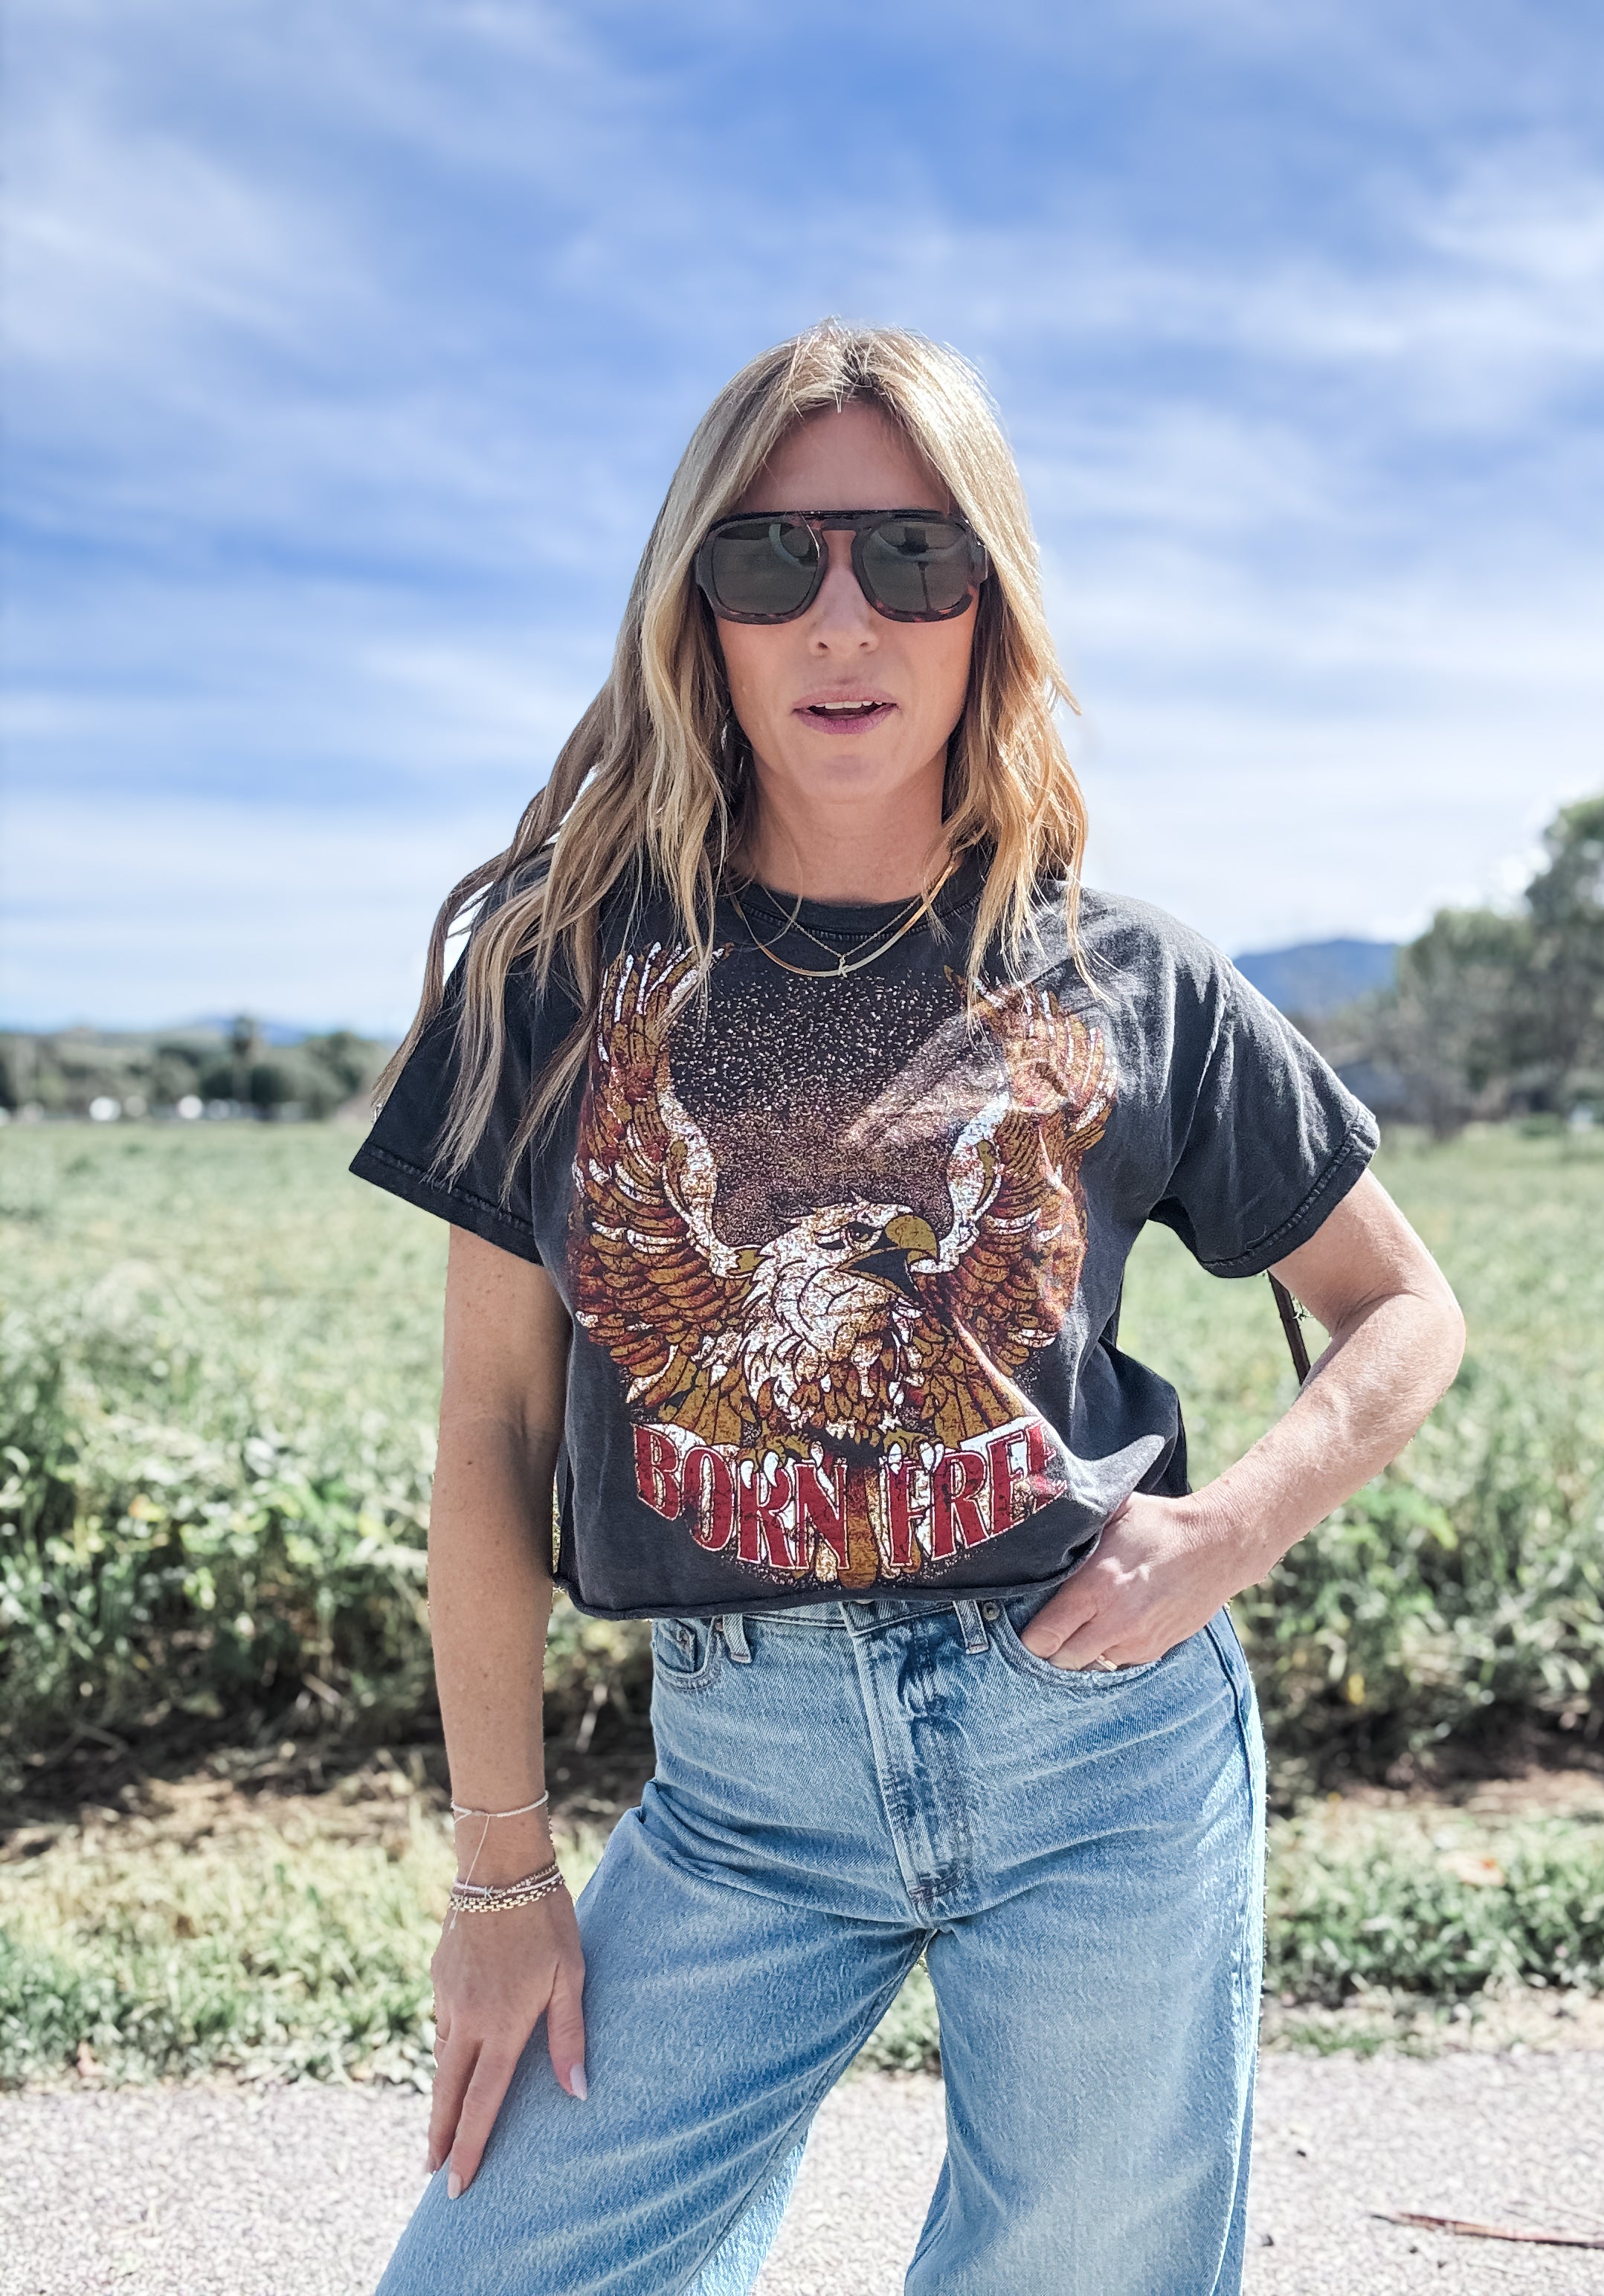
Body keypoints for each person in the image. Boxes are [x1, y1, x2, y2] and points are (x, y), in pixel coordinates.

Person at [353, 320, 1465, 2296]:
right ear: (695, 610)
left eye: (913, 555)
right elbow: (492, 1440)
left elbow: (1402, 1311)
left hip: (1100, 1755)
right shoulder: (554, 978)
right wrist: (501, 1874)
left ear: (989, 604)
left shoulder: (1127, 978)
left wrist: (1225, 1530)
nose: (842, 617)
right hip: (743, 1792)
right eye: (771, 557)